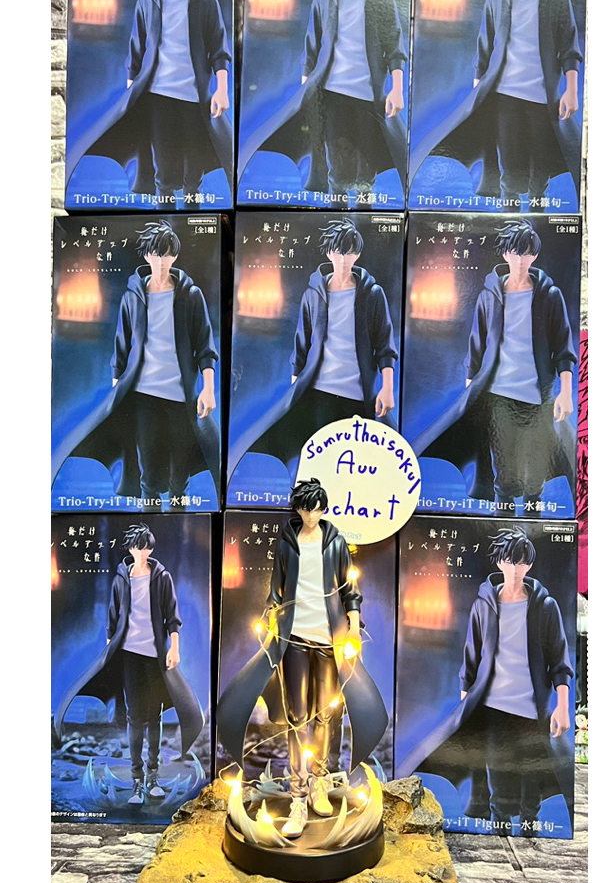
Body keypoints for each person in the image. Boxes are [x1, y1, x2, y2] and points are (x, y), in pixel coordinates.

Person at [216, 478, 389, 838]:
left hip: (329, 640)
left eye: (316, 508)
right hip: (293, 638)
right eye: (304, 508)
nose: (310, 515)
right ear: (297, 508)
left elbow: (350, 589)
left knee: (325, 714)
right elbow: (276, 589)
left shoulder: (335, 542)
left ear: (323, 508)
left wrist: (353, 625)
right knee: (297, 719)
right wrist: (271, 619)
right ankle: (298, 796)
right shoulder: (287, 542)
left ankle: (319, 782)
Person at [397, 528, 574, 836]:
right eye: (510, 561)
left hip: (532, 710)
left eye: (522, 562)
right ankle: (500, 837)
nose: (515, 569)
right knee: (498, 785)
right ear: (500, 562)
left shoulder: (545, 607)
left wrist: (562, 706)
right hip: (492, 707)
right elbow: (472, 655)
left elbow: (559, 661)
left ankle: (530, 838)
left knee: (531, 785)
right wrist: (467, 703)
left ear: (529, 565)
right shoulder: (484, 605)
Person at [51, 220, 220, 508]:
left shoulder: (191, 296)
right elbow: (122, 343)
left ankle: (180, 522)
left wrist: (208, 388)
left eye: (167, 254)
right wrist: (117, 388)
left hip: (182, 398)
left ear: (175, 256)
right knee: (148, 474)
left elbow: (205, 346)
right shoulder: (133, 296)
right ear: (146, 255)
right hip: (143, 396)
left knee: (180, 474)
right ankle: (149, 518)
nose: (162, 261)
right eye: (156, 254)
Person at [410, 0, 583, 210]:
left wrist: (571, 90)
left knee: (540, 172)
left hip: (542, 98)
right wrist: (478, 88)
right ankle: (509, 221)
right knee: (510, 170)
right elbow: (485, 43)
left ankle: (537, 222)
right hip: (504, 94)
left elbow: (569, 47)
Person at [412, 219, 575, 514]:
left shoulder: (550, 296)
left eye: (527, 253)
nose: (521, 260)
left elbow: (563, 347)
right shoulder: (490, 296)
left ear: (535, 255)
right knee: (505, 475)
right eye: (515, 252)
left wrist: (565, 392)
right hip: (498, 395)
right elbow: (478, 342)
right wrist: (471, 391)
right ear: (505, 254)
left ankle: (533, 525)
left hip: (538, 397)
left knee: (534, 476)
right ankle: (501, 521)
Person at [237, 0, 407, 207]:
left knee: (366, 173)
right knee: (338, 170)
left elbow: (394, 46)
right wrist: (308, 90)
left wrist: (397, 88)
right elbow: (312, 45)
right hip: (331, 93)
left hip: (369, 96)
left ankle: (366, 224)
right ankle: (336, 215)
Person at [65, 0, 233, 205]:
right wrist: (132, 92)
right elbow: (137, 47)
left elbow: (219, 47)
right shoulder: (148, 1)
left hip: (195, 97)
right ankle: (164, 214)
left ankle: (192, 217)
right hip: (157, 95)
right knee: (163, 171)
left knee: (194, 172)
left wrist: (222, 89)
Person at [229, 218, 398, 485]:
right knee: (315, 458)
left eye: (350, 252)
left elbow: (385, 345)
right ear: (329, 253)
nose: (344, 259)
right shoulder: (314, 294)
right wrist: (295, 386)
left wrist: (387, 388)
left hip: (358, 394)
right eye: (339, 252)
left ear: (357, 254)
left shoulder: (372, 294)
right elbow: (302, 342)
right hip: (318, 391)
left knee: (352, 463)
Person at [52, 523, 205, 806]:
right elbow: (112, 618)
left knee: (155, 717)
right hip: (128, 655)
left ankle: (153, 778)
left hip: (156, 657)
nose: (142, 552)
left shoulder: (162, 577)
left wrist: (174, 648)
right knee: (135, 717)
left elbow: (173, 617)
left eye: (146, 547)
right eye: (138, 546)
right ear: (131, 548)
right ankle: (137, 781)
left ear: (151, 548)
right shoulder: (121, 579)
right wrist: (110, 651)